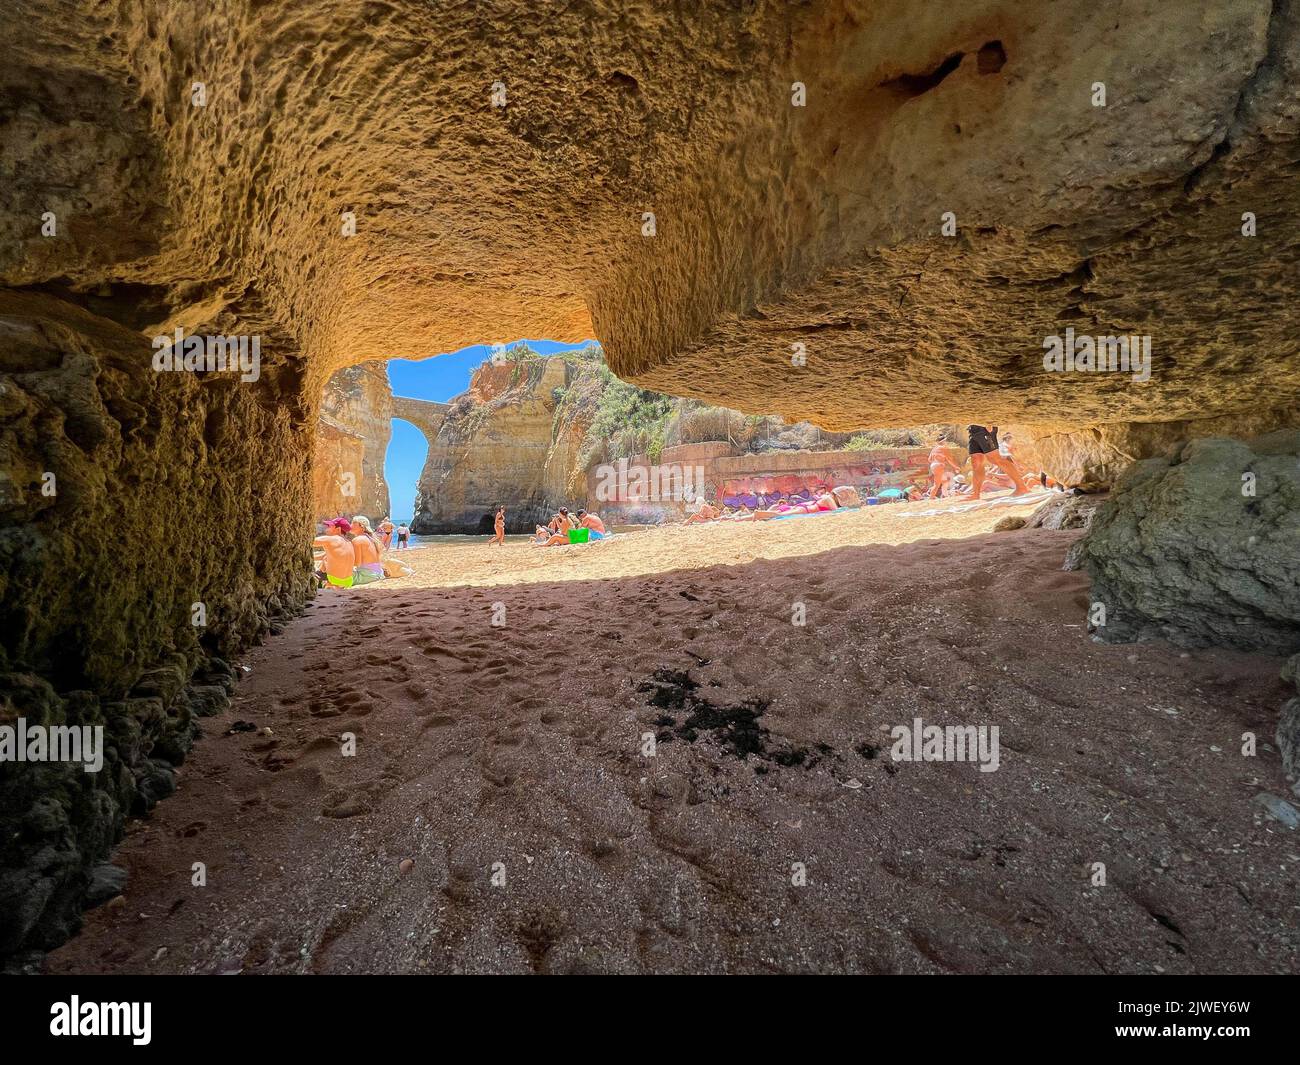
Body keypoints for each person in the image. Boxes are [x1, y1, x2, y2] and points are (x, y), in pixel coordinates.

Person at [966, 424, 1031, 500]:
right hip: (973, 430)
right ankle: (976, 494)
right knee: (976, 461)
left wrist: (988, 422)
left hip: (983, 428)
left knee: (994, 458)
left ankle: (1022, 487)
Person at [313, 518, 356, 589]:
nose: (328, 528)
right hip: (348, 581)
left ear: (338, 529)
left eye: (331, 526)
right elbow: (328, 556)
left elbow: (308, 541)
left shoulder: (331, 539)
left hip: (334, 579)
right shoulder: (349, 543)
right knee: (325, 559)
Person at [349, 516, 385, 584]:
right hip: (378, 574)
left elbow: (357, 563)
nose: (350, 525)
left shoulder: (357, 540)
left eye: (353, 523)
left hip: (366, 576)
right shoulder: (371, 539)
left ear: (361, 526)